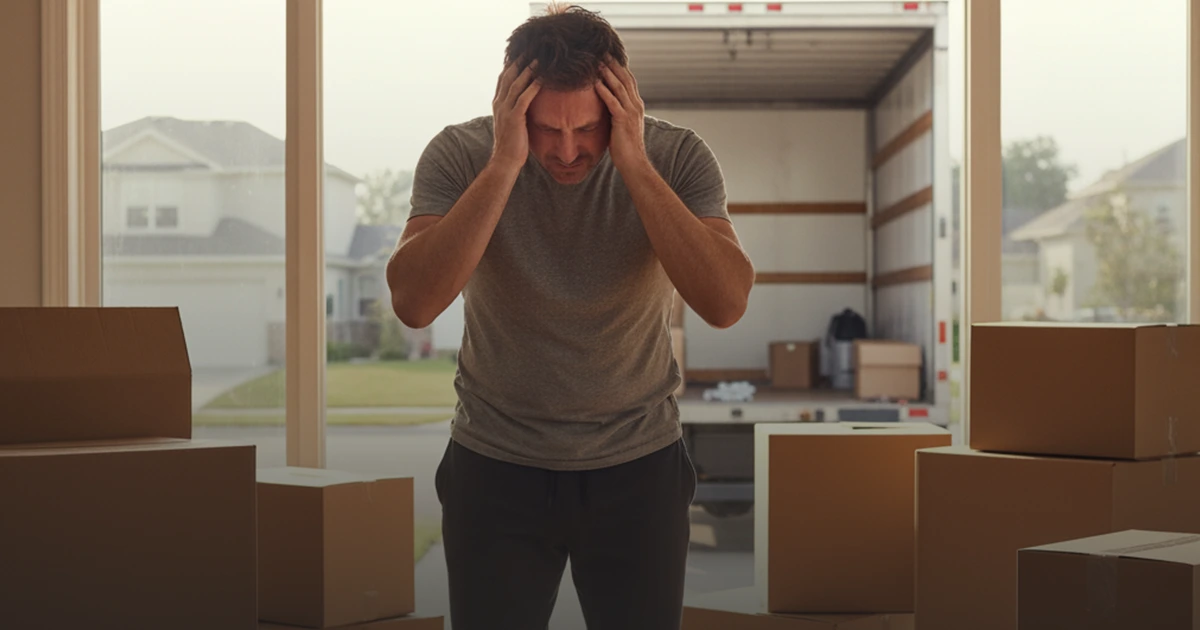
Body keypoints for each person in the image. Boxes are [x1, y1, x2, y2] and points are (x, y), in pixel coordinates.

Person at [386, 5, 755, 629]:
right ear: (511, 106)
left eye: (586, 129)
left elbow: (725, 303)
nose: (564, 151)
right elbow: (415, 303)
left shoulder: (676, 155)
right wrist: (505, 163)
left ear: (621, 105)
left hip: (639, 467)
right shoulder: (462, 153)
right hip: (496, 465)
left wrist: (633, 163)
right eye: (542, 128)